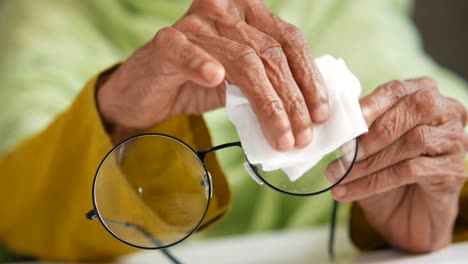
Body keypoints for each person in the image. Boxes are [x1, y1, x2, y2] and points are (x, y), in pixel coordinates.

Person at [0, 0, 467, 261]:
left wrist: (438, 199)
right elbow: (19, 208)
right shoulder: (49, 21)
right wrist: (115, 117)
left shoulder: (348, 13)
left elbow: (438, 114)